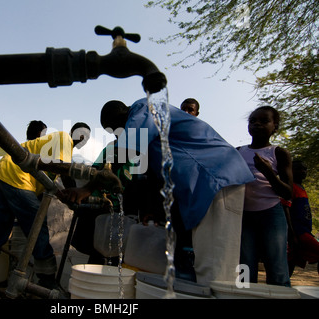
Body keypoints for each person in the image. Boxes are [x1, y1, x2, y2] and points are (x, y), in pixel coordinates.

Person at [64, 98, 254, 286]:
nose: (116, 136)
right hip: (205, 183)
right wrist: (153, 207)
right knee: (201, 263)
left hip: (215, 176)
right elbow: (156, 173)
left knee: (214, 268)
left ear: (123, 115)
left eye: (115, 129)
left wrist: (86, 189)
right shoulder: (151, 132)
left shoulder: (144, 108)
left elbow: (124, 153)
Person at [0, 122, 90, 298]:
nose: (84, 139)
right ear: (75, 133)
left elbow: (49, 176)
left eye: (87, 136)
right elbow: (63, 169)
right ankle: (48, 282)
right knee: (38, 228)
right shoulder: (64, 138)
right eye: (83, 134)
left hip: (4, 173)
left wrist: (65, 195)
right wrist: (76, 194)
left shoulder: (53, 144)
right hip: (17, 177)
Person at [238, 106, 293, 287]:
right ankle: (243, 296)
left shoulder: (278, 153)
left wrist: (268, 172)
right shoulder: (238, 152)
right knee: (245, 266)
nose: (257, 124)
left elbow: (288, 192)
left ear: (275, 127)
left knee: (276, 265)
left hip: (271, 215)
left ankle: (281, 293)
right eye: (253, 121)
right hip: (243, 215)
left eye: (264, 121)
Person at [286, 160, 319, 276]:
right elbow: (287, 210)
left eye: (305, 169)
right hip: (299, 232)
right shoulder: (291, 187)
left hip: (305, 231)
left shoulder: (301, 188)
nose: (303, 172)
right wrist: (292, 233)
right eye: (299, 168)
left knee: (292, 260)